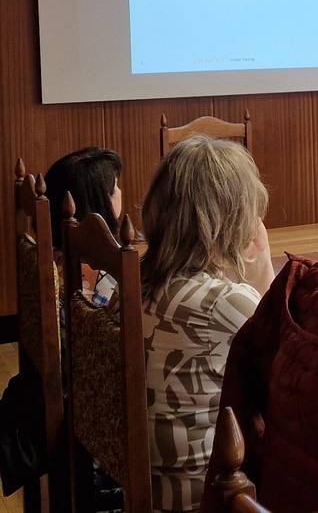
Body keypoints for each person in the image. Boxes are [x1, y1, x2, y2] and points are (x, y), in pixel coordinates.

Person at [141, 136, 274, 513]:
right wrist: (262, 278)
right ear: (233, 221)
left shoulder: (137, 282)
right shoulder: (226, 303)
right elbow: (292, 372)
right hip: (211, 493)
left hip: (149, 482)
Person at [44, 146, 124, 304]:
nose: (120, 191)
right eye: (115, 186)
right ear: (101, 201)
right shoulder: (107, 280)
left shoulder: (52, 260)